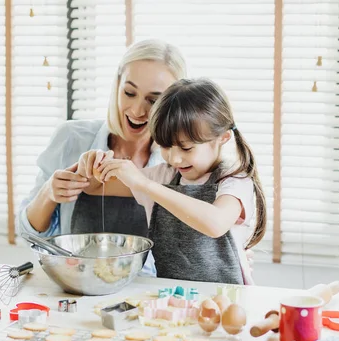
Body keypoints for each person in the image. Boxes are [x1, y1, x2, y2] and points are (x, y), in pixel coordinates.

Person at [17, 40, 187, 276]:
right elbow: (29, 235)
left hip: (146, 298)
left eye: (153, 100)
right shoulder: (71, 138)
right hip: (75, 287)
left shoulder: (178, 163)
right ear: (117, 86)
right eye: (129, 93)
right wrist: (49, 193)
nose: (138, 110)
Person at [77, 78, 267, 285]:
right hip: (172, 297)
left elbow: (216, 223)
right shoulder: (164, 176)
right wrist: (93, 163)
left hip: (226, 298)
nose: (174, 159)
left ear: (222, 138)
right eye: (165, 147)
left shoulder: (233, 179)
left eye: (186, 148)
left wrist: (145, 185)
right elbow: (93, 186)